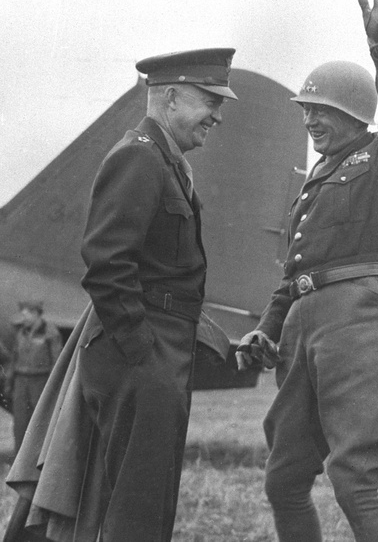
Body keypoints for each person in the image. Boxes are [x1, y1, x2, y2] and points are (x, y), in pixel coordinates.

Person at [4, 48, 237, 542]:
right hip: (142, 357)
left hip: (160, 353)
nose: (217, 116)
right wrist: (142, 356)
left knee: (145, 505)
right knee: (135, 511)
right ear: (170, 98)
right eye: (210, 101)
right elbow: (107, 264)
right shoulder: (139, 157)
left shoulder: (166, 163)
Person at [235, 0, 378, 542]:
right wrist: (267, 328)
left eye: (321, 109)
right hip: (305, 325)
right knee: (284, 480)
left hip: (358, 321)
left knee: (353, 483)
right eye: (306, 109)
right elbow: (294, 272)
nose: (310, 119)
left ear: (354, 114)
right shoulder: (316, 177)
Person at [7, 301, 62, 453]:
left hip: (40, 381)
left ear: (35, 314)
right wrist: (9, 382)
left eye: (26, 315)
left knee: (40, 421)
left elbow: (57, 361)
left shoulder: (50, 332)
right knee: (20, 423)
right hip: (21, 381)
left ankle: (40, 457)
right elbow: (14, 358)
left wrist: (53, 386)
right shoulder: (21, 332)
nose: (23, 318)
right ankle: (19, 459)